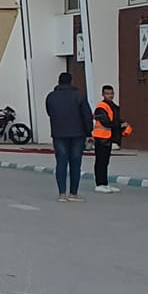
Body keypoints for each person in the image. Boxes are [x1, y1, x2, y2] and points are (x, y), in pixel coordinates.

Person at [45, 71, 93, 202]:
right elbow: (87, 115)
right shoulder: (79, 96)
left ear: (59, 81)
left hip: (59, 134)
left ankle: (62, 194)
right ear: (71, 81)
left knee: (61, 162)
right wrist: (89, 132)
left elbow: (50, 112)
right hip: (77, 134)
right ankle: (73, 193)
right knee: (75, 163)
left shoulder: (51, 97)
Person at [91, 84, 131, 193]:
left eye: (111, 93)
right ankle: (99, 184)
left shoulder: (113, 106)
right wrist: (120, 125)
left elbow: (115, 120)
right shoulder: (101, 107)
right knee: (100, 162)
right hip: (101, 138)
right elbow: (106, 122)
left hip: (108, 138)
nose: (110, 95)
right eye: (107, 93)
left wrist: (123, 124)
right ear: (103, 94)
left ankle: (105, 184)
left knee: (105, 162)